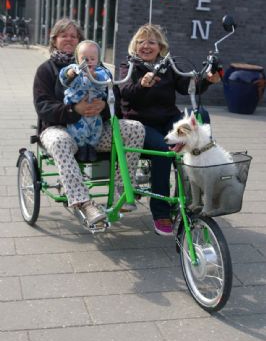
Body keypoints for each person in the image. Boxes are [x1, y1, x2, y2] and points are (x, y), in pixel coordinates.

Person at [33, 18, 145, 227]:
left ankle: (123, 187)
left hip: (95, 128)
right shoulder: (46, 70)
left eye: (73, 36)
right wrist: (74, 109)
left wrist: (103, 106)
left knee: (134, 128)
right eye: (63, 35)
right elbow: (43, 107)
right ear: (54, 39)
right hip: (60, 128)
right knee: (58, 141)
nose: (69, 39)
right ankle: (84, 202)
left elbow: (117, 100)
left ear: (80, 41)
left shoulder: (98, 68)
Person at [116, 23, 221, 236]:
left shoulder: (168, 66)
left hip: (167, 121)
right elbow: (125, 92)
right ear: (134, 46)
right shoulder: (129, 67)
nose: (146, 46)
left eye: (151, 42)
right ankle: (161, 212)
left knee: (198, 126)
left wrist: (208, 80)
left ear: (160, 47)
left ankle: (195, 197)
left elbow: (187, 87)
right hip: (140, 124)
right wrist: (142, 85)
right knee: (165, 151)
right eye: (141, 41)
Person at [59, 40, 112, 161]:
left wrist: (95, 76)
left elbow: (106, 81)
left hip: (95, 112)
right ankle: (82, 149)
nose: (88, 62)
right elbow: (63, 77)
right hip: (77, 111)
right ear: (77, 59)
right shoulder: (75, 69)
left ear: (98, 60)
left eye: (92, 58)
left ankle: (91, 148)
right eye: (84, 58)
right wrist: (70, 73)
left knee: (96, 130)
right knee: (77, 130)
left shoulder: (100, 71)